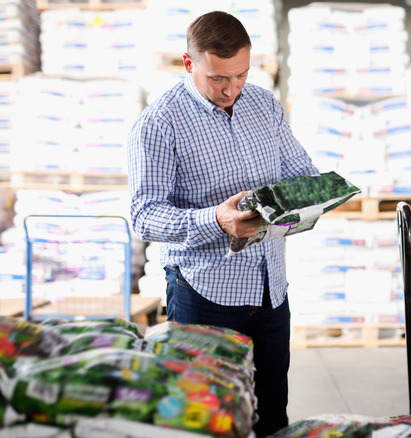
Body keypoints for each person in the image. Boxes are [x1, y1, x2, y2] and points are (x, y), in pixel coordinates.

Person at [127, 11, 317, 437]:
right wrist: (216, 219)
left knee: (272, 413)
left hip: (271, 289)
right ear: (189, 63)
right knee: (205, 419)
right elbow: (144, 215)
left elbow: (300, 169)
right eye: (218, 79)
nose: (231, 90)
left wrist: (311, 198)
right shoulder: (159, 124)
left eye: (241, 76)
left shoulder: (263, 104)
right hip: (203, 293)